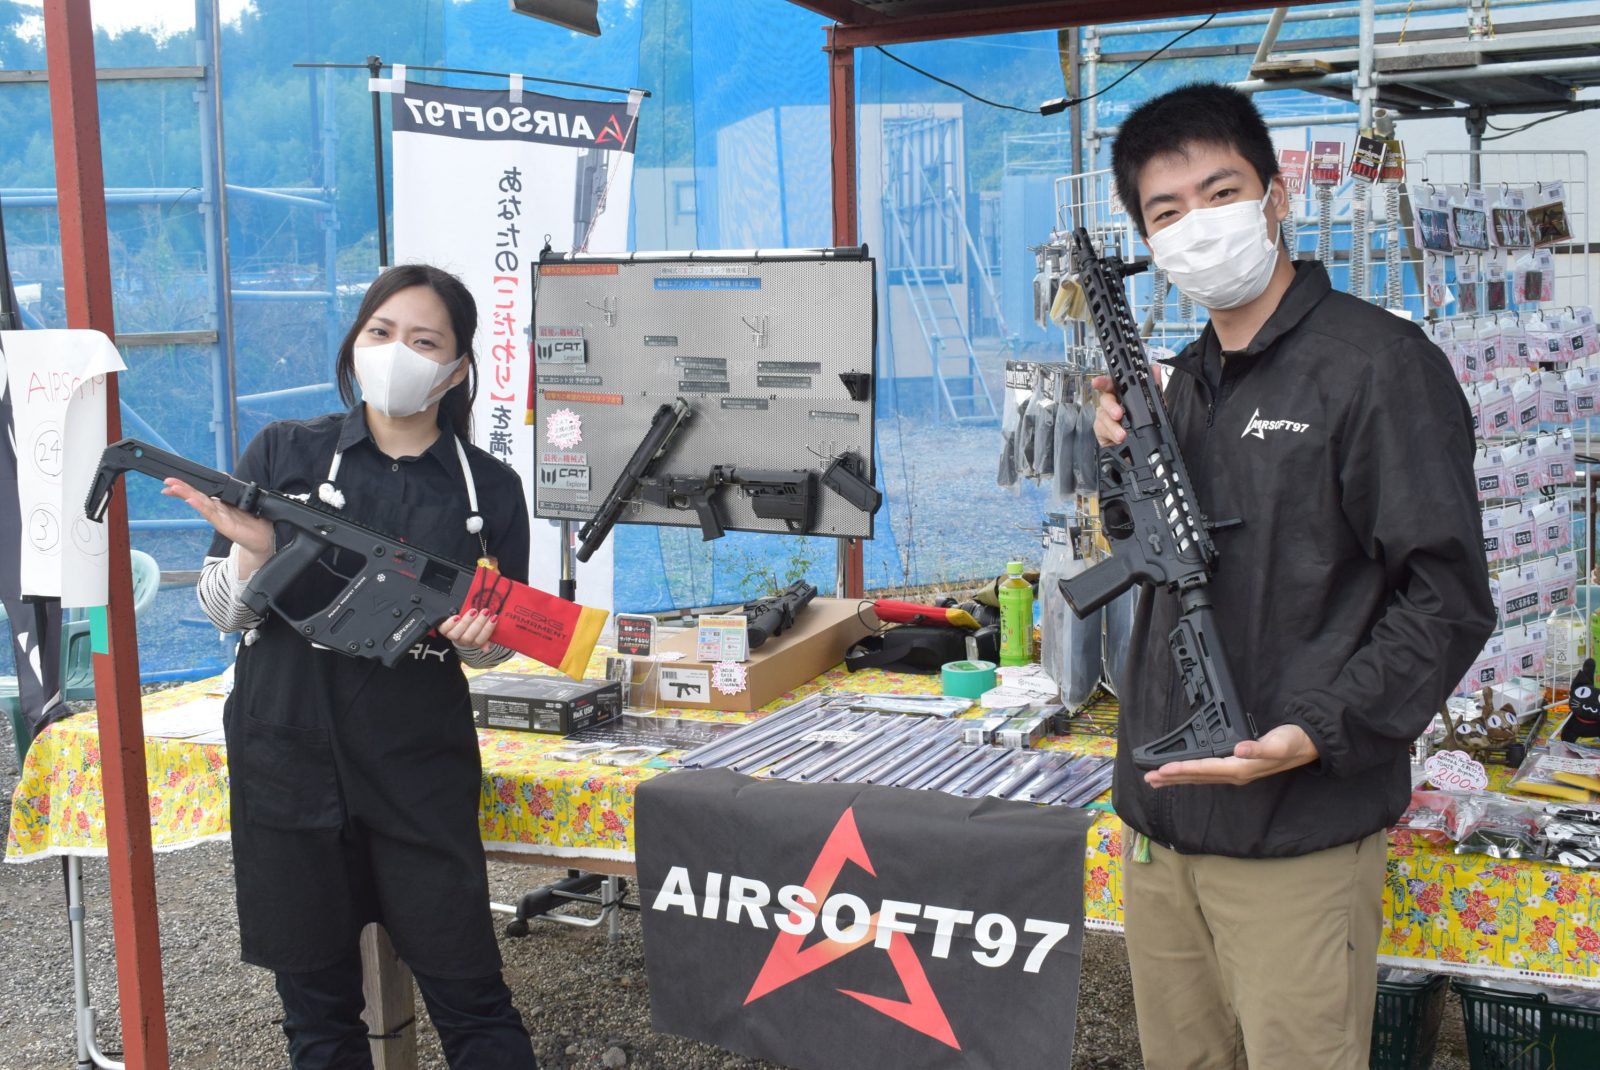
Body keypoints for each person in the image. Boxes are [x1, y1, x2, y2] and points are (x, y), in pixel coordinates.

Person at [1092, 83, 1494, 1069]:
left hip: (1294, 837)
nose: (1197, 225)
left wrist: (1315, 732)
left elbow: (1445, 598)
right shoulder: (1182, 383)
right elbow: (1156, 561)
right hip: (1159, 826)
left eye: (1220, 192)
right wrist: (1120, 460)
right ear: (1145, 238)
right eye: (1166, 211)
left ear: (1276, 197)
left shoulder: (1377, 366)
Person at [169, 264, 538, 1070]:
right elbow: (227, 614)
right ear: (355, 342)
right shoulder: (284, 453)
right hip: (287, 753)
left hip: (418, 763)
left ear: (457, 369)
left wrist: (480, 639)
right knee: (318, 1016)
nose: (396, 351)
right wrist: (255, 552)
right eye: (381, 331)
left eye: (424, 341)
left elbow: (500, 640)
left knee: (472, 998)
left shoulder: (490, 488)